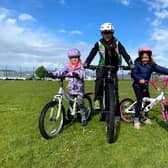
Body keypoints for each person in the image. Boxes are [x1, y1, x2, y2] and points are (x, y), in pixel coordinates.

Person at [83, 22, 133, 121]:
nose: (106, 34)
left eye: (109, 32)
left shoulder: (117, 43)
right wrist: (86, 62)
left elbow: (124, 53)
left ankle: (117, 110)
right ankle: (97, 100)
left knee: (115, 89)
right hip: (102, 67)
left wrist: (130, 63)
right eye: (104, 32)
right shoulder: (99, 43)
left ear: (112, 33)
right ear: (101, 33)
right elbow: (92, 53)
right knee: (99, 80)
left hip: (113, 67)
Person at [131, 46, 168, 129]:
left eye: (147, 57)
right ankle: (136, 119)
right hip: (137, 86)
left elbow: (161, 69)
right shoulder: (136, 64)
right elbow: (133, 74)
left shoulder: (151, 65)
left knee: (147, 102)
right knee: (140, 101)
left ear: (149, 57)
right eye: (143, 57)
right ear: (140, 57)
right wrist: (139, 79)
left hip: (145, 86)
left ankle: (144, 117)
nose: (145, 59)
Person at [48, 48, 86, 126]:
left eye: (76, 57)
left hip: (79, 89)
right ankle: (69, 117)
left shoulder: (80, 66)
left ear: (79, 58)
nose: (74, 59)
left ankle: (83, 117)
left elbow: (83, 73)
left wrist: (77, 74)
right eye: (72, 57)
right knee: (70, 102)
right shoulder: (68, 66)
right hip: (71, 88)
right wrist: (53, 74)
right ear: (69, 59)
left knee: (80, 103)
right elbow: (61, 71)